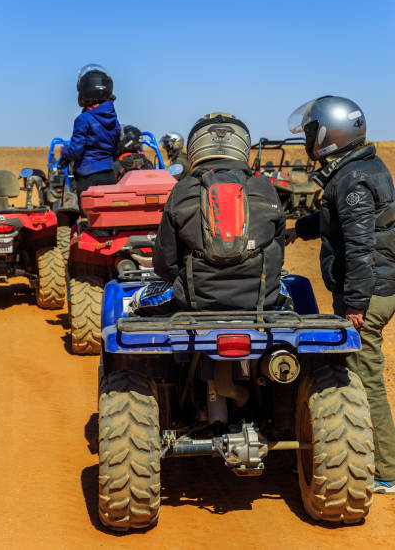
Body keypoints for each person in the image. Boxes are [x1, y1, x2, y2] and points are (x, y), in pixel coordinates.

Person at [285, 95, 395, 495]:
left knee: (363, 377)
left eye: (313, 132)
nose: (309, 140)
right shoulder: (358, 167)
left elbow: (361, 244)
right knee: (352, 371)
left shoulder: (351, 179)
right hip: (371, 284)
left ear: (331, 134)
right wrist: (301, 228)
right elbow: (339, 218)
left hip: (368, 290)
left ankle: (386, 470)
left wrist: (355, 306)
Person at [130, 112, 285, 316]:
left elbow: (164, 265)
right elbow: (278, 255)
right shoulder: (265, 188)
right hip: (261, 299)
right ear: (242, 146)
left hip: (194, 302)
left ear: (196, 147)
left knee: (134, 301)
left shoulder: (182, 190)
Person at [60, 64, 120, 215]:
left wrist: (64, 151)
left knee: (90, 219)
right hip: (108, 174)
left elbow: (76, 150)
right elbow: (115, 147)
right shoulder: (114, 119)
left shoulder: (83, 119)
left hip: (88, 177)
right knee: (108, 218)